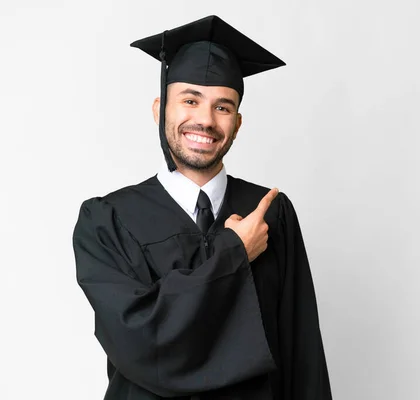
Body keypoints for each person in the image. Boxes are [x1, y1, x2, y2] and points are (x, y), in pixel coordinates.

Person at [72, 15, 332, 400]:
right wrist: (235, 253)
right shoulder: (107, 220)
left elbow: (302, 356)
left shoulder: (270, 213)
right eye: (190, 100)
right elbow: (141, 339)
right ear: (160, 110)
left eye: (223, 107)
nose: (205, 120)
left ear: (238, 123)